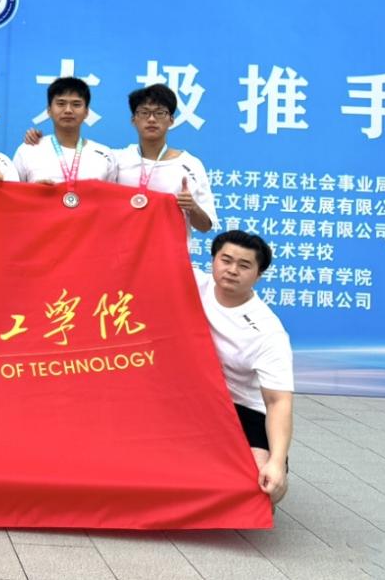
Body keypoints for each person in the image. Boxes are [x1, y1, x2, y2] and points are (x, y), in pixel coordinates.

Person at [196, 230, 293, 504]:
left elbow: (278, 401)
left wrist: (276, 462)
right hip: (193, 400)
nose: (232, 270)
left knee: (261, 485)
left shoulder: (268, 332)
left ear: (259, 275)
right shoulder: (192, 283)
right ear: (213, 260)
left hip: (242, 409)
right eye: (226, 260)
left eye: (244, 265)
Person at [115, 84, 216, 232]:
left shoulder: (190, 164)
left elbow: (205, 226)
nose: (151, 119)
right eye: (144, 112)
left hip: (170, 247)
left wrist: (192, 206)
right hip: (124, 246)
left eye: (160, 113)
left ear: (171, 120)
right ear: (133, 119)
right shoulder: (117, 160)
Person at [13, 77, 117, 189]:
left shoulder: (104, 155)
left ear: (86, 112)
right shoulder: (28, 150)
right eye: (61, 103)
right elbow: (12, 194)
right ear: (49, 110)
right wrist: (34, 192)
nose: (68, 110)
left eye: (76, 104)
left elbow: (111, 197)